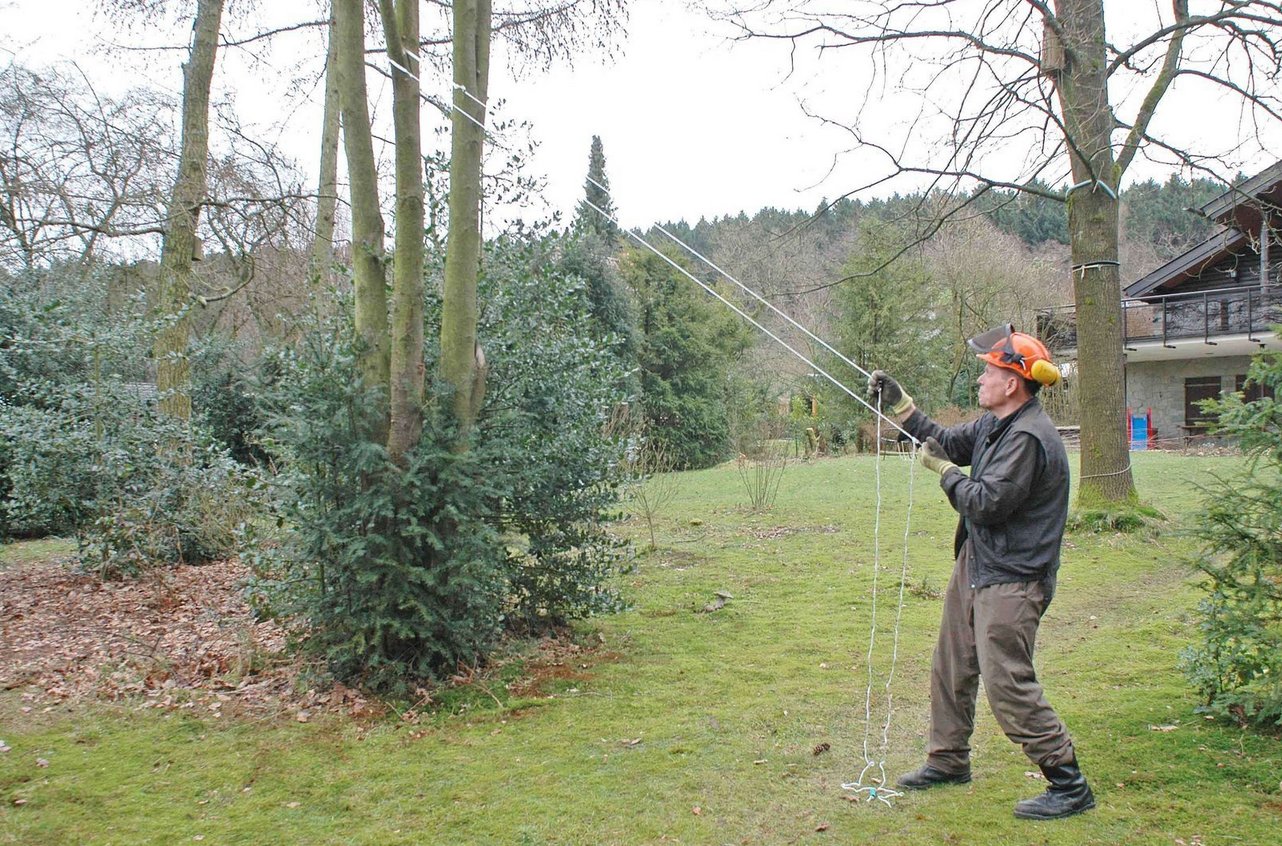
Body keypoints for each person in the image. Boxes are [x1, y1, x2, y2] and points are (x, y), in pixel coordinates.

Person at [867, 324, 1094, 821]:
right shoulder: (996, 424)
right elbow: (945, 439)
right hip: (980, 561)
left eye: (988, 370)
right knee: (951, 664)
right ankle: (948, 761)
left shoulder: (1030, 438)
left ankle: (1068, 782)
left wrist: (945, 474)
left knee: (1006, 679)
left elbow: (988, 503)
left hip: (1014, 576)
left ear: (1012, 382)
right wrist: (901, 404)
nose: (980, 379)